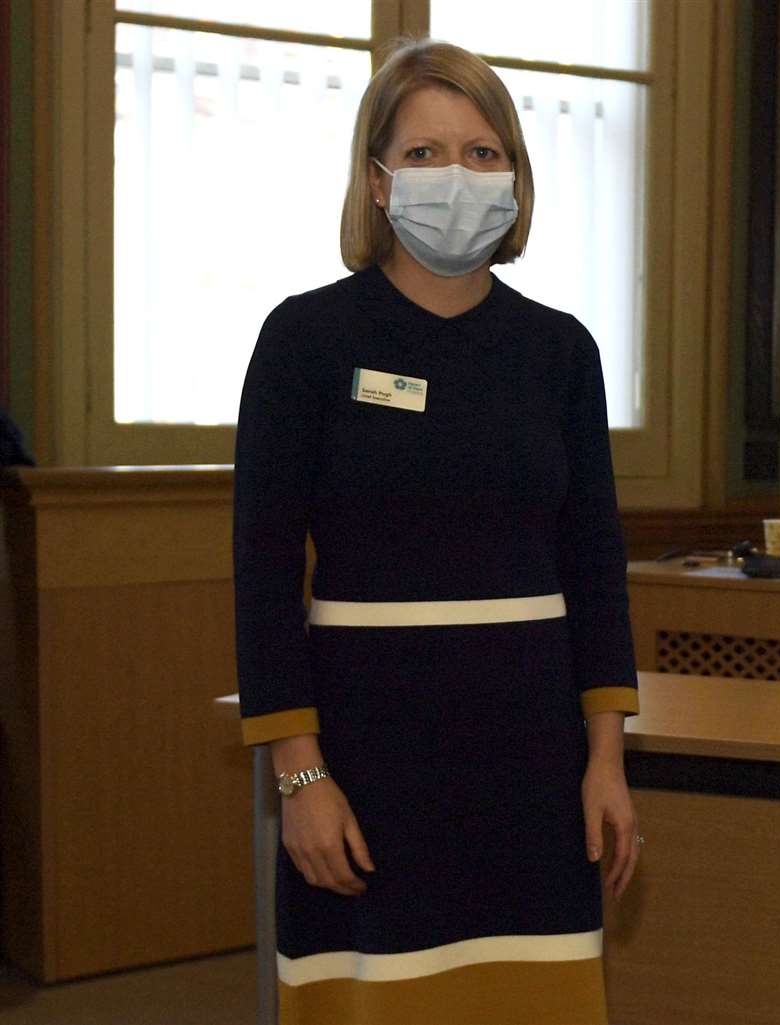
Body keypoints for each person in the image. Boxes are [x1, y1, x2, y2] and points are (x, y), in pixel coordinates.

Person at [233, 40, 639, 1025]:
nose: (455, 174)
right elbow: (261, 572)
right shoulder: (305, 340)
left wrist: (606, 758)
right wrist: (301, 774)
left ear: (515, 176)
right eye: (423, 153)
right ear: (377, 181)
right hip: (369, 761)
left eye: (483, 150)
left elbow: (594, 564)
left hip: (533, 765)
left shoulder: (561, 351)